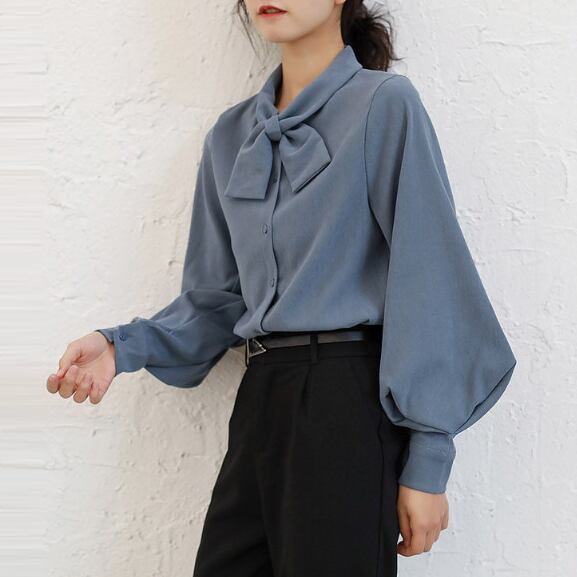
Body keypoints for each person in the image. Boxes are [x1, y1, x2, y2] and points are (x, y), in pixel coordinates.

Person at [46, 1, 518, 574]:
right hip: (259, 401)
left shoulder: (384, 105)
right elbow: (219, 299)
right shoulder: (230, 137)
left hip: (347, 402)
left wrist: (429, 459)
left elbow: (431, 278)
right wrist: (121, 346)